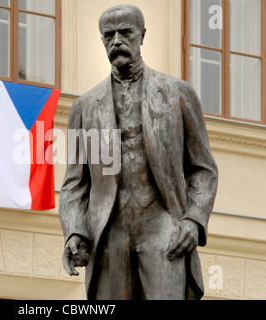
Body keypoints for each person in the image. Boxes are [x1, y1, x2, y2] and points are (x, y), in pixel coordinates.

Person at [59, 5, 218, 300]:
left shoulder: (178, 94)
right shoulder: (84, 107)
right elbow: (74, 185)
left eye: (125, 32)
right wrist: (75, 231)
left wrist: (194, 220)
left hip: (164, 227)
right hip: (108, 234)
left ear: (142, 36)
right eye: (109, 35)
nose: (116, 41)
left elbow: (203, 169)